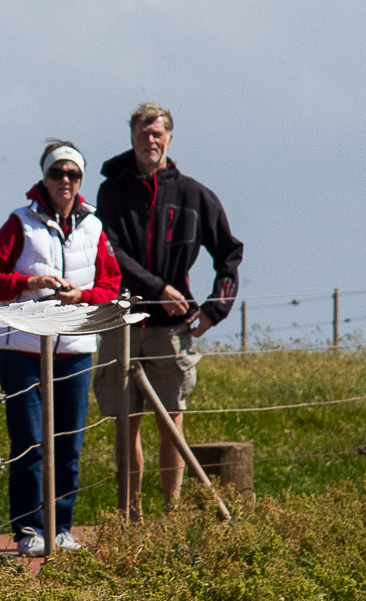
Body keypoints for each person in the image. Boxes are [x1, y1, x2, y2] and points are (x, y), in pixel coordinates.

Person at [93, 103, 243, 510]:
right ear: (132, 138)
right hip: (121, 321)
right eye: (143, 134)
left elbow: (229, 253)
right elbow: (111, 250)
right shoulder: (111, 190)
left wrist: (215, 310)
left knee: (171, 420)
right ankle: (130, 516)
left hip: (171, 329)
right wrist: (160, 288)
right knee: (125, 424)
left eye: (157, 134)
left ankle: (171, 514)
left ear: (170, 139)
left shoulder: (194, 195)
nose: (150, 141)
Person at [0, 140, 121, 556]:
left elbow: (110, 284)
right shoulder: (20, 223)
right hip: (22, 350)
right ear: (44, 176)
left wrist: (84, 295)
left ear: (81, 180)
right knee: (30, 443)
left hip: (75, 348)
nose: (65, 181)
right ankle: (29, 531)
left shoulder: (94, 225)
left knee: (69, 444)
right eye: (58, 173)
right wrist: (29, 283)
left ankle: (62, 527)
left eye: (73, 174)